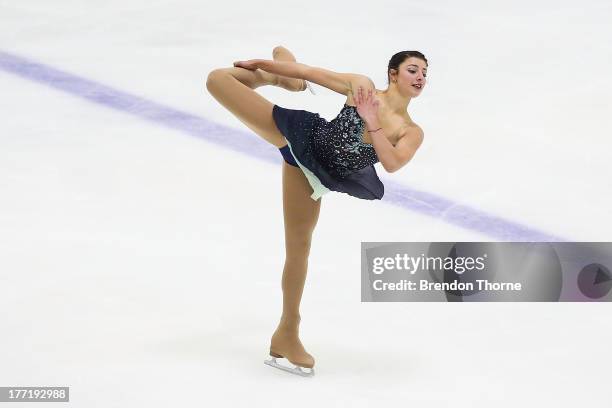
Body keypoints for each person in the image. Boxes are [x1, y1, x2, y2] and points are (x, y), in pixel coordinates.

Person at [205, 47, 426, 376]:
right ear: (393, 73)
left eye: (424, 72)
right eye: (413, 70)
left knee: (299, 247)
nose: (420, 77)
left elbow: (392, 163)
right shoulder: (361, 87)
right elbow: (310, 72)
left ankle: (286, 334)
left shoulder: (410, 131)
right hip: (301, 137)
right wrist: (265, 67)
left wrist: (372, 122)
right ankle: (278, 77)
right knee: (218, 80)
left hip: (316, 175)